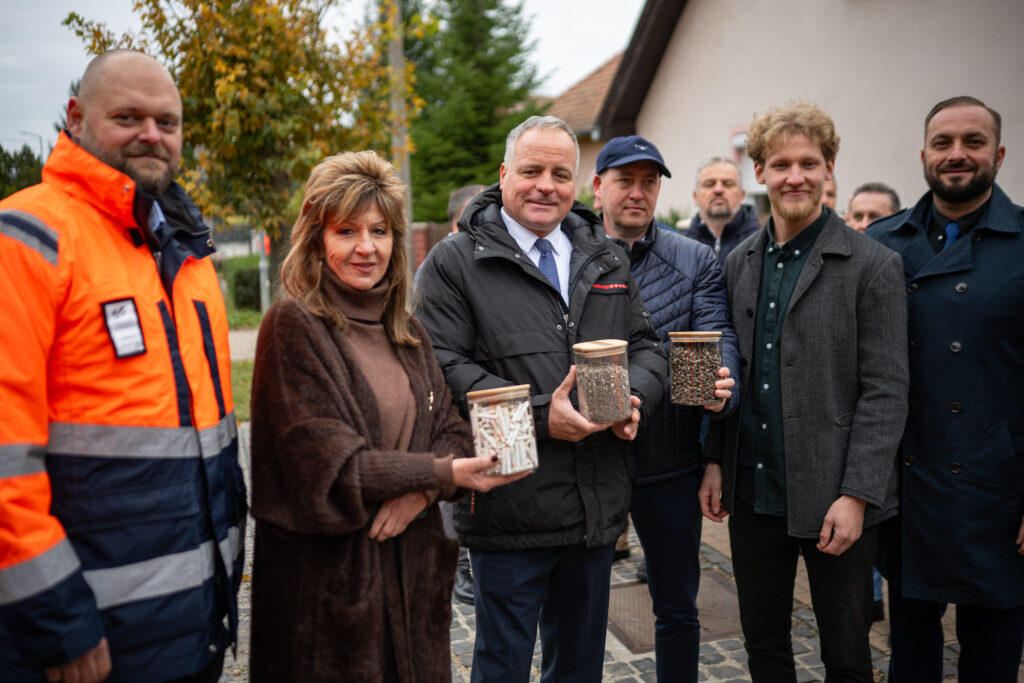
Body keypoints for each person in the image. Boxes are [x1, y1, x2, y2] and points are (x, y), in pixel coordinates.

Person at [0, 49, 246, 683]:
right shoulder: (26, 238)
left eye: (168, 122)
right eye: (128, 117)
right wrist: (57, 620)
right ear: (77, 117)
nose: (152, 135)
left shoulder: (190, 257)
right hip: (82, 643)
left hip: (192, 631)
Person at [248, 151, 525, 682]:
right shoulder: (292, 328)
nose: (366, 247)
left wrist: (420, 492)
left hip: (414, 585)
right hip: (330, 592)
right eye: (346, 231)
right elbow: (322, 466)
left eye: (379, 231)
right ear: (316, 238)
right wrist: (435, 473)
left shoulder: (408, 332)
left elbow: (452, 431)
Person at [416, 115, 667, 682]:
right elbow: (440, 367)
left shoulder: (605, 255)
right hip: (509, 507)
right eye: (532, 171)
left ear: (576, 182)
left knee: (579, 669)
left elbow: (647, 346)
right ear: (505, 173)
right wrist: (539, 417)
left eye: (560, 174)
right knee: (502, 667)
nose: (546, 187)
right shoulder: (454, 262)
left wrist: (634, 398)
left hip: (595, 506)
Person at [699, 102, 909, 682]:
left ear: (829, 168)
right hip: (752, 493)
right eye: (781, 164)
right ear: (760, 172)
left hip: (835, 497)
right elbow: (729, 369)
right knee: (764, 646)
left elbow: (886, 391)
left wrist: (858, 494)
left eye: (809, 163)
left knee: (847, 656)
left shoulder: (873, 265)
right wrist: (715, 459)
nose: (796, 177)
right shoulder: (737, 263)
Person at [867, 95, 1024, 682]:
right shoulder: (883, 242)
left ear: (998, 155)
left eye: (973, 142)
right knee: (910, 655)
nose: (957, 154)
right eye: (943, 143)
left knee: (993, 657)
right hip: (910, 488)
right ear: (924, 156)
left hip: (998, 488)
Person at [593, 135, 738, 681]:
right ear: (598, 187)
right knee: (580, 604)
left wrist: (724, 390)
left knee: (677, 606)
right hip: (592, 460)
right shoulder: (572, 252)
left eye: (649, 182)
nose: (638, 192)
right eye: (625, 181)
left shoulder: (694, 258)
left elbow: (718, 336)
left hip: (671, 464)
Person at [440, 183, 487, 605]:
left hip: (487, 399)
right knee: (455, 487)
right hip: (450, 403)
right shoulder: (436, 272)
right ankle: (458, 565)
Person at [684, 156, 760, 261]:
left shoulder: (761, 242)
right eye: (709, 184)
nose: (718, 190)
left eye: (728, 184)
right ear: (695, 197)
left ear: (742, 196)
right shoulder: (680, 247)